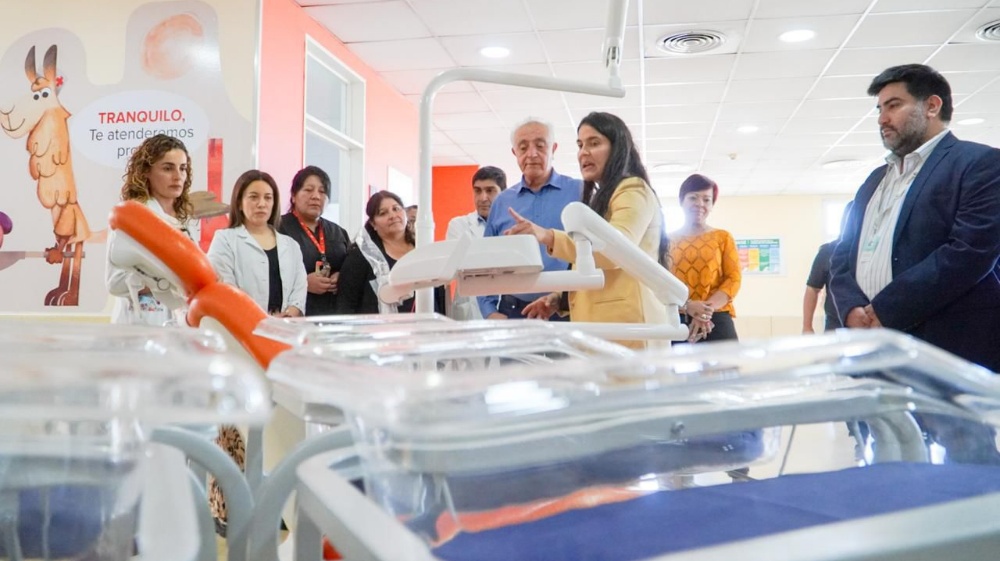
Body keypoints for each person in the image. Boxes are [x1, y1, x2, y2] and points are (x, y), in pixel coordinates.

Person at [829, 64, 1000, 466]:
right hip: (877, 349)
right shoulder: (874, 180)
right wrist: (851, 308)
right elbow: (842, 253)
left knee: (965, 460)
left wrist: (885, 309)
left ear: (932, 106)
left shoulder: (979, 164)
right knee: (889, 455)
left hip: (948, 347)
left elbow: (969, 252)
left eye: (893, 105)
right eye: (879, 109)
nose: (882, 118)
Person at [506, 111, 669, 350]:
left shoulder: (633, 190)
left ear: (617, 148)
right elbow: (588, 262)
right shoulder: (604, 196)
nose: (584, 152)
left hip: (629, 329)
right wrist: (557, 299)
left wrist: (548, 236)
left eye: (594, 143)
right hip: (606, 330)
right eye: (580, 145)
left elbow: (614, 251)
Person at [478, 117, 582, 320]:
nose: (532, 154)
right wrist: (489, 311)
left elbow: (595, 250)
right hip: (514, 311)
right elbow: (485, 262)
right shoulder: (502, 202)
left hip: (564, 308)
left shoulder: (578, 192)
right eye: (523, 148)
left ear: (554, 149)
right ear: (514, 153)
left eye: (540, 146)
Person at [106, 134, 200, 325]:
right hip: (139, 325)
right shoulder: (131, 218)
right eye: (168, 168)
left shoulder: (186, 221)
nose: (178, 176)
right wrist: (167, 280)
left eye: (182, 168)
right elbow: (114, 282)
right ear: (146, 172)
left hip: (179, 324)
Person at [207, 170, 306, 318]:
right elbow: (224, 288)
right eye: (254, 197)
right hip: (241, 325)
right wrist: (261, 320)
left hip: (285, 327)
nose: (261, 204)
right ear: (239, 203)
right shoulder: (225, 239)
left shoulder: (291, 245)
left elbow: (299, 289)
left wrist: (287, 316)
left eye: (268, 198)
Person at [336, 190, 444, 314]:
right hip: (377, 325)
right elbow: (346, 305)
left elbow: (439, 297)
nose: (392, 215)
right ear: (373, 223)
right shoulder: (361, 256)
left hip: (426, 323)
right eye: (383, 213)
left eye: (396, 209)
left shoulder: (423, 251)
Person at [667, 173, 742, 343]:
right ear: (682, 201)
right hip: (678, 319)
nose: (700, 204)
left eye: (707, 200)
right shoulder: (666, 241)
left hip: (716, 319)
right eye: (693, 198)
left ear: (712, 205)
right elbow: (661, 282)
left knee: (725, 362)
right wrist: (688, 306)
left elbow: (733, 279)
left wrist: (705, 312)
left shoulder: (722, 237)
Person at [278, 166, 350, 316]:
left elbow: (351, 266)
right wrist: (303, 283)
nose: (316, 196)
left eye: (322, 192)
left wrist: (341, 277)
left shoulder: (338, 232)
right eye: (308, 190)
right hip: (294, 315)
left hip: (334, 314)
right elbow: (265, 274)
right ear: (293, 196)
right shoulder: (278, 228)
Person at [445, 165, 507, 320]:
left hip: (505, 307)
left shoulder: (513, 225)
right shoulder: (459, 225)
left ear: (504, 193)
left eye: (490, 191)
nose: (483, 198)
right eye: (477, 191)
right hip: (469, 310)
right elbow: (457, 265)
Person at [802, 202, 853, 334]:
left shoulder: (871, 251)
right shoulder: (828, 251)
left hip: (869, 326)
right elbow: (812, 288)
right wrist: (807, 326)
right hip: (836, 326)